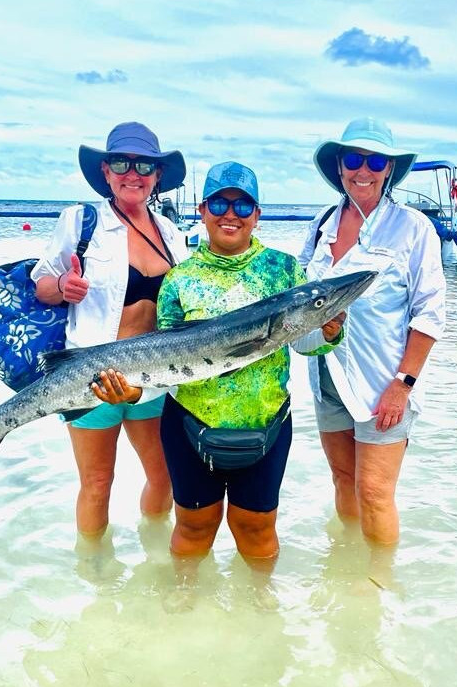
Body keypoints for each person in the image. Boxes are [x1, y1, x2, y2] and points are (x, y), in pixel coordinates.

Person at [155, 161, 343, 563]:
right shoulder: (178, 280)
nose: (230, 214)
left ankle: (260, 613)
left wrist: (328, 334)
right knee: (192, 528)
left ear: (257, 215)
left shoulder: (285, 269)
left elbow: (303, 344)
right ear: (202, 210)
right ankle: (179, 610)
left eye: (243, 206)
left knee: (257, 529)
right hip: (189, 423)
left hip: (267, 422)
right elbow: (164, 360)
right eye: (220, 203)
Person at [31, 122, 189, 538]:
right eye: (121, 162)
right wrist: (62, 287)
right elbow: (42, 286)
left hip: (154, 379)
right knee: (97, 484)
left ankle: (154, 556)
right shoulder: (81, 222)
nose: (132, 173)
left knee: (164, 478)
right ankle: (95, 579)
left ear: (157, 176)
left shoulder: (172, 234)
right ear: (105, 171)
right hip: (90, 377)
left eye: (144, 165)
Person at [299, 117, 446, 545]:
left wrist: (403, 384)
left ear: (388, 169)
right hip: (326, 375)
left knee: (376, 493)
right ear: (339, 166)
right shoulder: (321, 224)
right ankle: (345, 568)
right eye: (353, 158)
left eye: (375, 160)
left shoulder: (413, 228)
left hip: (384, 380)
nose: (363, 169)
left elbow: (430, 312)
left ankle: (379, 586)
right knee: (343, 480)